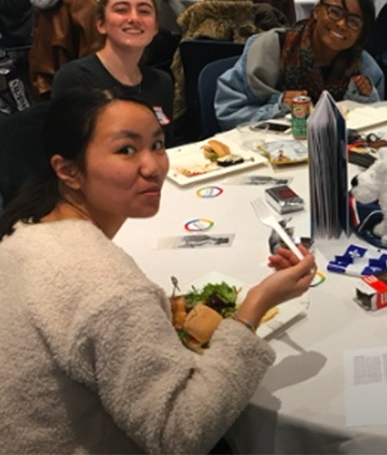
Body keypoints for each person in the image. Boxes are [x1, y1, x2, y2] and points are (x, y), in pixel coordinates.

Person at [0, 86, 317, 453]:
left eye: (157, 144)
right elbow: (181, 433)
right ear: (67, 170)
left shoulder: (23, 230)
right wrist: (255, 306)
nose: (153, 167)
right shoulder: (109, 286)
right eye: (126, 150)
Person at [215, 0, 384, 128]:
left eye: (353, 21)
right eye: (335, 12)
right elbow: (229, 112)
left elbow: (379, 124)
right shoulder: (270, 50)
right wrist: (280, 107)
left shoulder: (364, 68)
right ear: (317, 11)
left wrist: (365, 100)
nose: (341, 24)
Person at [52, 0, 174, 143]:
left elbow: (167, 148)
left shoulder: (161, 82)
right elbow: (69, 152)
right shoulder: (75, 79)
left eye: (144, 11)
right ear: (101, 24)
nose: (134, 18)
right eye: (121, 10)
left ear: (155, 28)